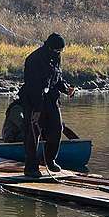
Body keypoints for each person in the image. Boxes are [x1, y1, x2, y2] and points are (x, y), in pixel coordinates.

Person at [20, 33, 75, 177]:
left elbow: (57, 78)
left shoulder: (56, 56)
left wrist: (66, 88)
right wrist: (37, 109)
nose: (59, 53)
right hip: (33, 99)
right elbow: (34, 86)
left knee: (57, 128)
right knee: (33, 134)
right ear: (50, 47)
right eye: (58, 50)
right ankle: (31, 167)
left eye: (61, 51)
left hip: (51, 98)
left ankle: (50, 160)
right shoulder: (33, 59)